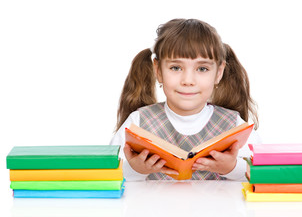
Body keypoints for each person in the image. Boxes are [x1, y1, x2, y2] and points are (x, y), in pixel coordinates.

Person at [110, 18, 261, 181]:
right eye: (176, 68)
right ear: (158, 71)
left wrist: (231, 168)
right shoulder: (138, 123)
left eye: (202, 69)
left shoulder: (234, 126)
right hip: (153, 207)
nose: (188, 80)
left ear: (218, 73)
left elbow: (263, 176)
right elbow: (107, 177)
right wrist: (135, 170)